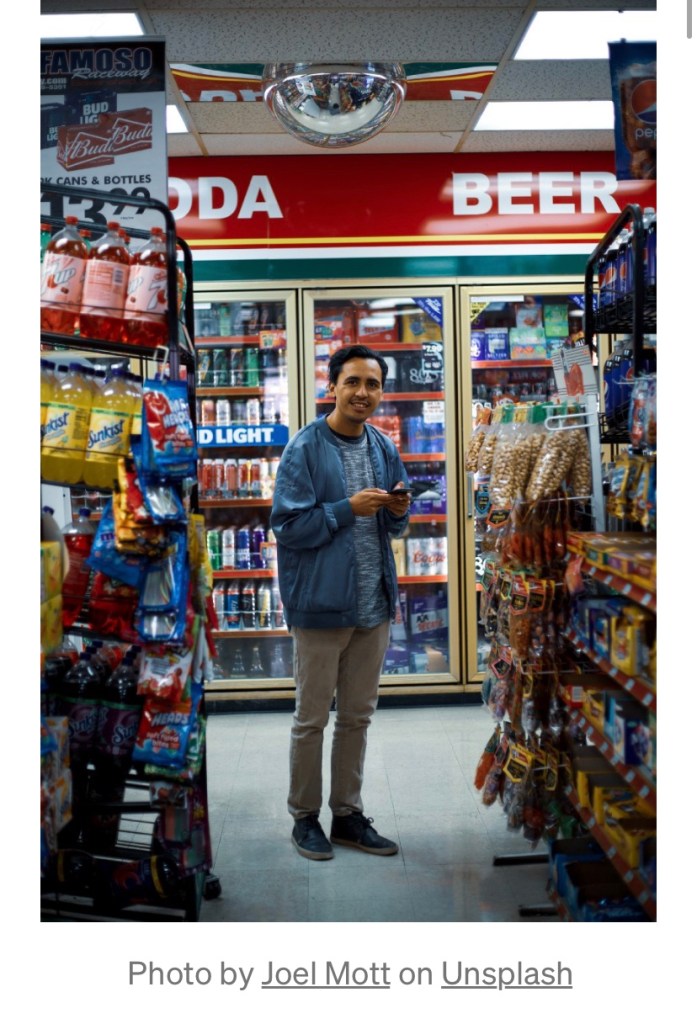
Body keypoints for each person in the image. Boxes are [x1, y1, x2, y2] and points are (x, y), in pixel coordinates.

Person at [270, 344, 411, 860]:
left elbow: (397, 524)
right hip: (321, 608)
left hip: (373, 606)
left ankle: (347, 814)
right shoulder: (304, 449)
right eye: (352, 382)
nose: (362, 393)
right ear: (333, 387)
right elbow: (288, 528)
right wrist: (345, 510)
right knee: (311, 718)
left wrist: (397, 509)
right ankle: (304, 817)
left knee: (357, 716)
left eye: (372, 384)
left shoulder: (382, 446)